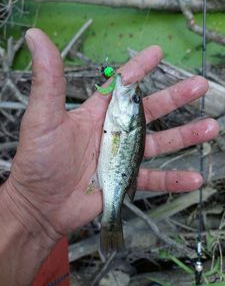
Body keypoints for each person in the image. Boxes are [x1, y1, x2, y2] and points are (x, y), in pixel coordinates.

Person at [0, 28, 219, 286]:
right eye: (137, 98)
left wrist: (26, 212)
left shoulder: (121, 119)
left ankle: (111, 223)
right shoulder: (119, 116)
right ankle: (112, 226)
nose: (132, 95)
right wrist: (27, 209)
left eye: (134, 100)